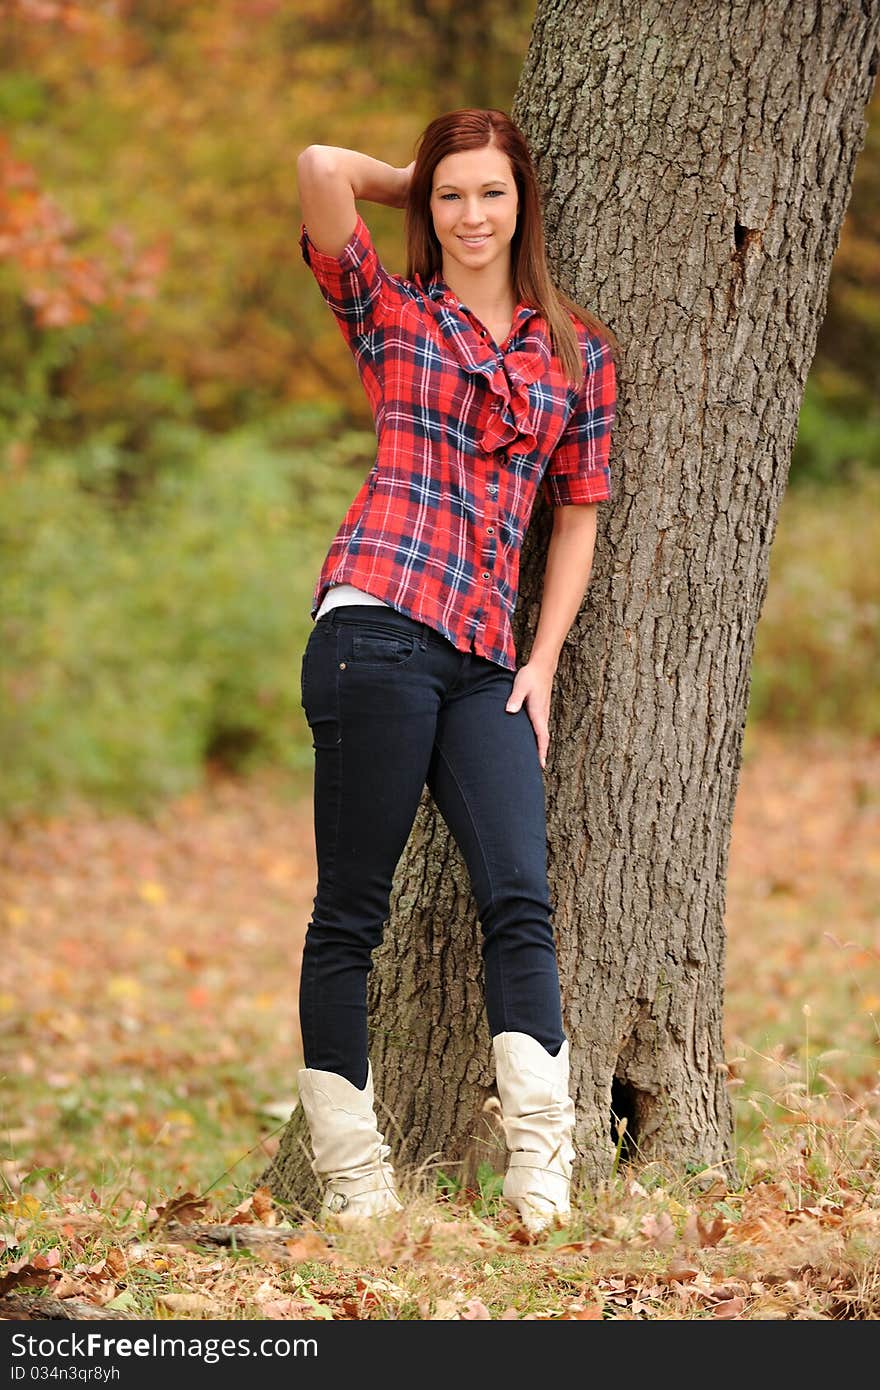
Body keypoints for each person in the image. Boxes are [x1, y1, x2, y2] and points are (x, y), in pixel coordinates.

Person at [295, 108, 618, 1234]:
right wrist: (407, 176)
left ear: (523, 201)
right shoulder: (389, 313)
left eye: (490, 192)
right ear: (428, 207)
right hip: (374, 627)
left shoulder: (572, 348)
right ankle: (354, 1185)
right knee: (352, 914)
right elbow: (317, 168)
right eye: (450, 196)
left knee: (520, 899)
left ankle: (542, 1169)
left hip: (487, 660)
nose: (471, 216)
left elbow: (577, 513)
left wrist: (542, 660)